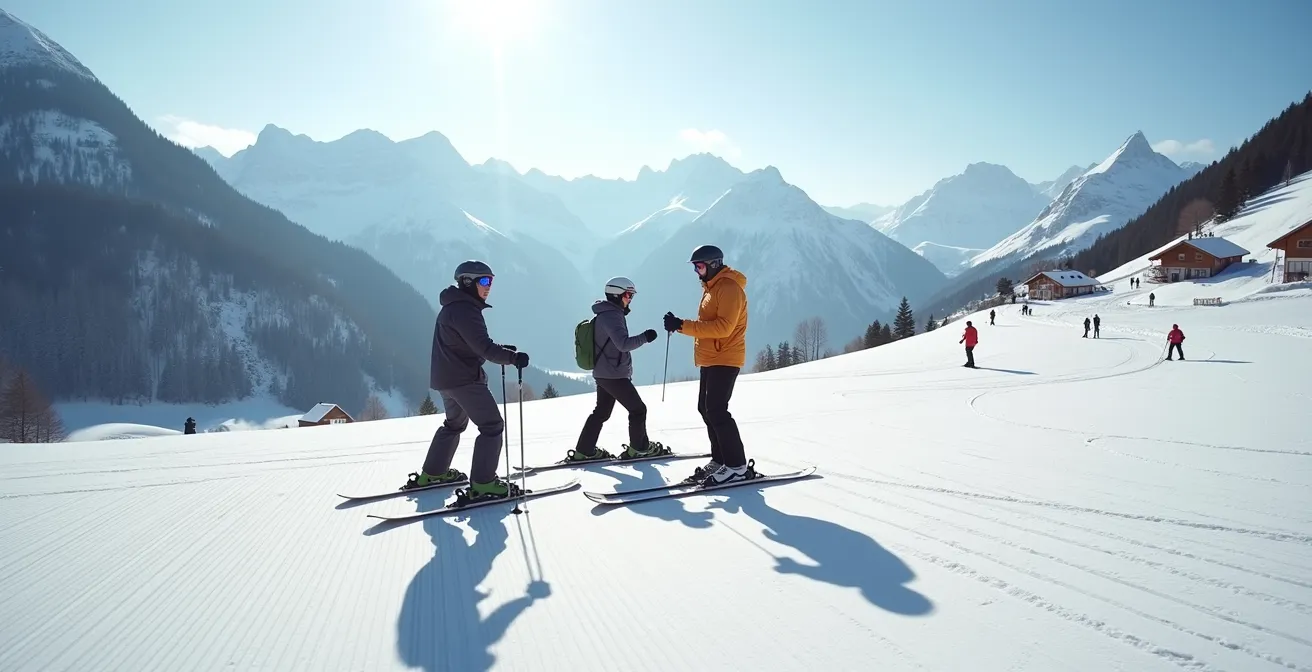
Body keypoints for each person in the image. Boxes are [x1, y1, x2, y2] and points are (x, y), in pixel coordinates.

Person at [407, 260, 528, 502]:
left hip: (446, 379)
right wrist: (513, 358)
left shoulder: (453, 308)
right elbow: (484, 348)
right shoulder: (465, 310)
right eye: (484, 281)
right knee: (492, 426)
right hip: (464, 380)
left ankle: (433, 474)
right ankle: (483, 483)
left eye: (491, 281)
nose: (489, 286)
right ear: (467, 282)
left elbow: (467, 344)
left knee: (454, 424)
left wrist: (502, 349)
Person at [663, 244, 750, 486]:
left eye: (699, 266)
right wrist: (679, 324)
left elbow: (724, 328)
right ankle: (720, 459)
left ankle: (737, 466)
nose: (696, 272)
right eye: (694, 267)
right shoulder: (711, 288)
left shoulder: (730, 288)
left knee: (717, 410)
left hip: (726, 357)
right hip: (711, 358)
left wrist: (682, 325)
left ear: (713, 264)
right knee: (705, 408)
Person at [568, 276, 666, 463]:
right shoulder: (612, 316)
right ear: (617, 295)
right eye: (629, 295)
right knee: (638, 410)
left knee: (601, 412)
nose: (630, 299)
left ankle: (584, 450)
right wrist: (646, 337)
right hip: (613, 375)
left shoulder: (605, 314)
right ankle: (639, 448)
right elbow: (623, 344)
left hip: (605, 373)